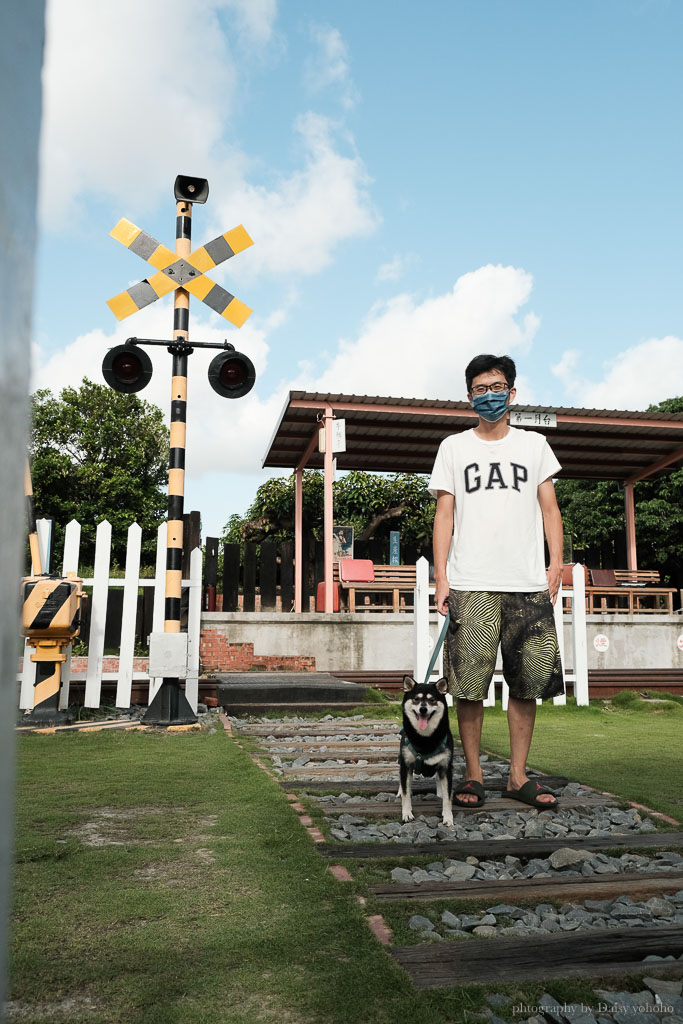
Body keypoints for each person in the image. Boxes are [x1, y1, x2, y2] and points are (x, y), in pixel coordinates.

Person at [428, 353, 564, 809]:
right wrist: (442, 576)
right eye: (481, 389)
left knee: (528, 683)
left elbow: (550, 509)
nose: (490, 395)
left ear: (512, 391)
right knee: (469, 686)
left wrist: (556, 564)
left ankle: (518, 776)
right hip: (472, 582)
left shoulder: (534, 445)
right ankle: (473, 776)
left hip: (527, 582)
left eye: (497, 387)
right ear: (469, 396)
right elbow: (444, 513)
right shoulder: (453, 447)